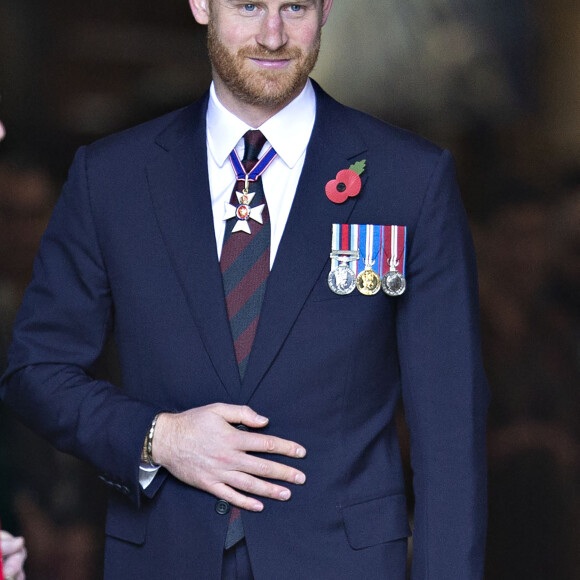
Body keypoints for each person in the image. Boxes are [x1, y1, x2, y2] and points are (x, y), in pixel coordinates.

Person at [0, 1, 489, 578]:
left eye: (295, 7)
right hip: (164, 555)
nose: (274, 35)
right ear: (202, 4)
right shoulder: (112, 177)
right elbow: (36, 370)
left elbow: (451, 431)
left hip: (342, 562)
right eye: (250, 5)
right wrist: (160, 437)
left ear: (327, 7)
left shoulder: (410, 178)